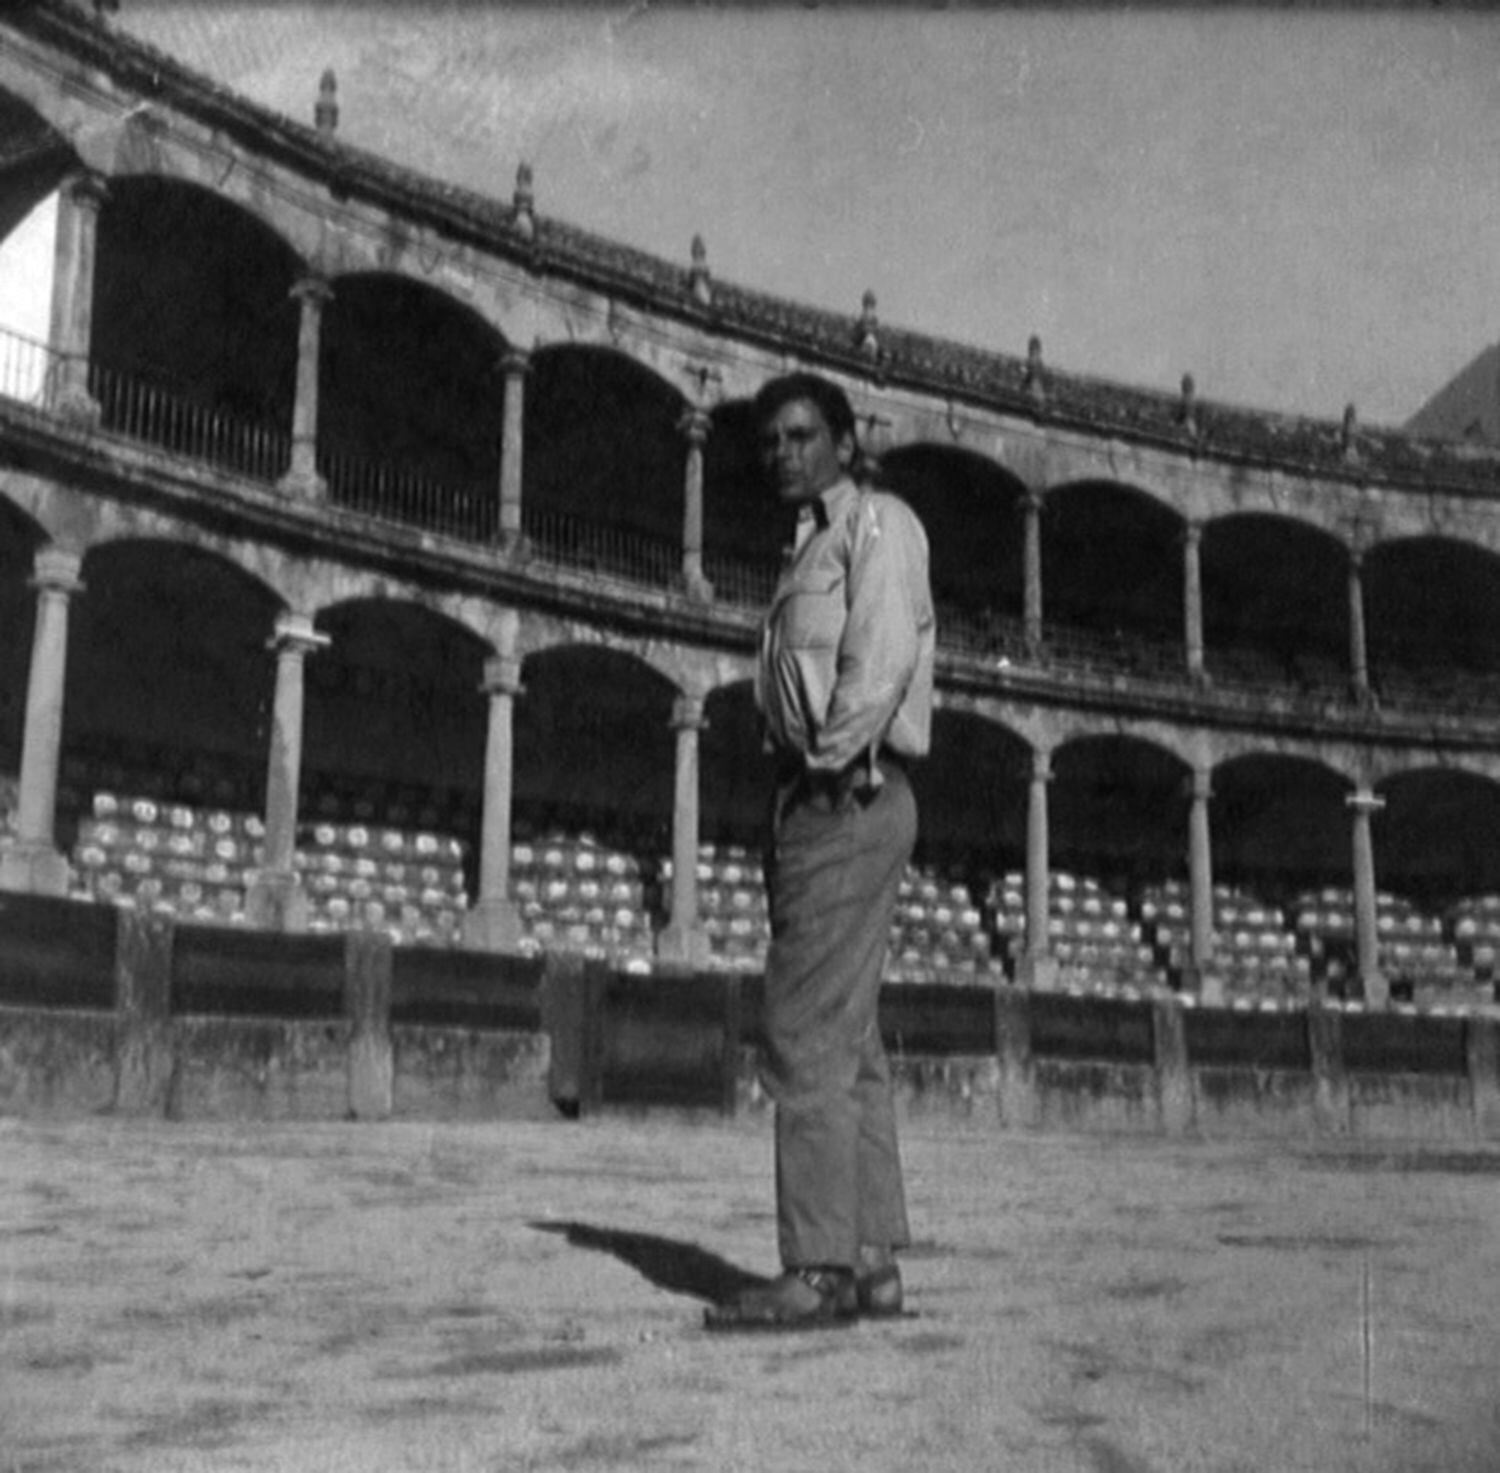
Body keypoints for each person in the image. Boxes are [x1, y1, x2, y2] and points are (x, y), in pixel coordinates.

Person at [705, 371, 936, 1331]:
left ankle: (817, 1269)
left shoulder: (874, 523)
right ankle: (871, 1260)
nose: (784, 453)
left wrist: (832, 766)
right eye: (771, 442)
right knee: (850, 1040)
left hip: (847, 788)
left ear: (845, 441)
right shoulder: (809, 547)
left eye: (803, 435)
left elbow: (877, 659)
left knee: (801, 1032)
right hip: (831, 791)